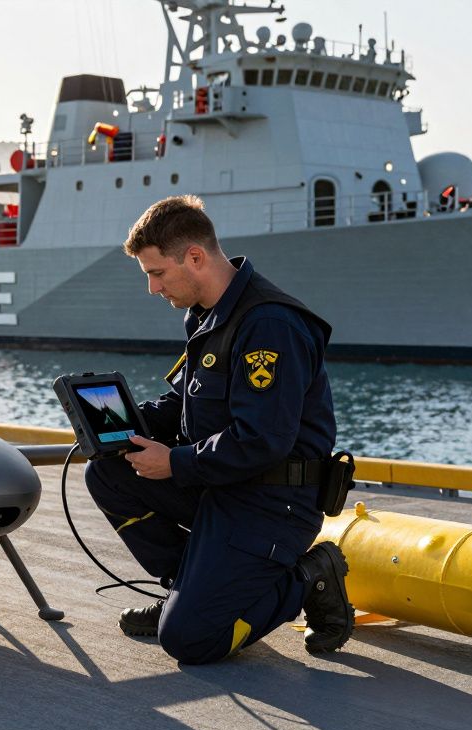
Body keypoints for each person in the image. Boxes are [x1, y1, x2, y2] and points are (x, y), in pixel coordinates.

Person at [84, 195, 353, 665]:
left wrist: (174, 462)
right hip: (222, 484)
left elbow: (262, 439)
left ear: (194, 257)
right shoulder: (206, 315)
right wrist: (118, 426)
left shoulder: (269, 324)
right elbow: (184, 403)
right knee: (108, 472)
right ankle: (185, 590)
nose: (152, 288)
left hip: (272, 502)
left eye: (157, 273)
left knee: (191, 641)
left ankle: (310, 576)